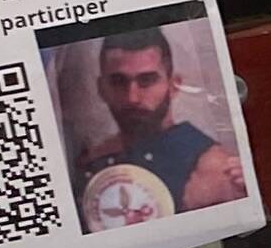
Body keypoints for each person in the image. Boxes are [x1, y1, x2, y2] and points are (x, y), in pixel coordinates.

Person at [78, 29, 249, 216]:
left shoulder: (213, 169)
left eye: (147, 81)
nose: (132, 97)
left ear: (174, 85)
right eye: (119, 82)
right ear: (101, 88)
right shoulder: (93, 161)